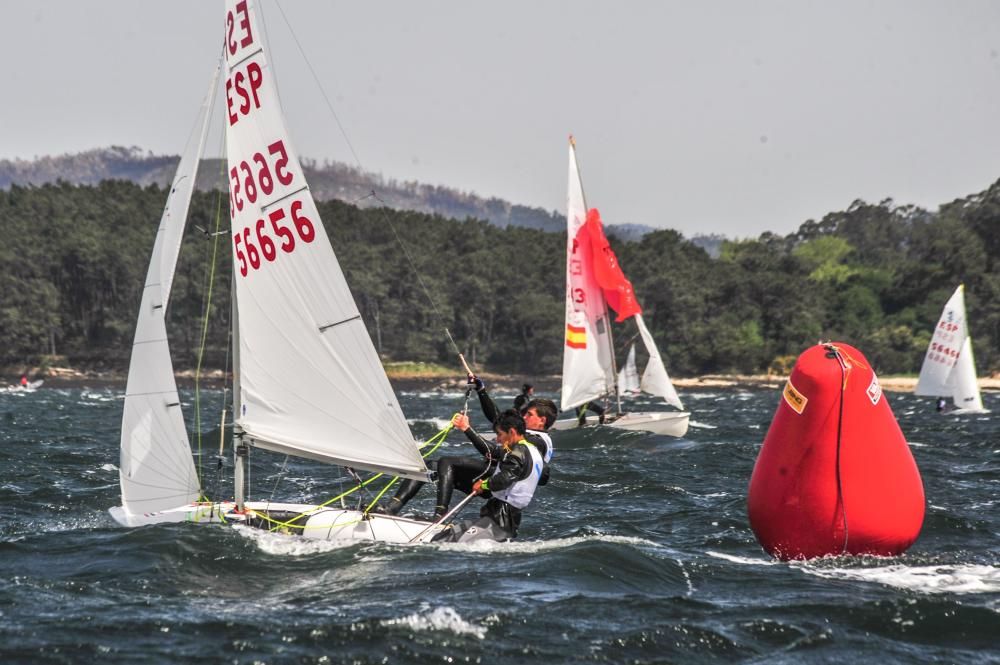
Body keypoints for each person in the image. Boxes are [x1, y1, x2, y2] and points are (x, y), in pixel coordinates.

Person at [433, 409, 543, 541]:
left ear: (512, 432)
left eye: (500, 434)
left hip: (500, 518)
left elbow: (505, 479)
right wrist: (466, 428)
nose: (497, 439)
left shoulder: (517, 452)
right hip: (507, 518)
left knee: (444, 541)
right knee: (444, 536)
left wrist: (484, 484)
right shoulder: (532, 450)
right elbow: (492, 451)